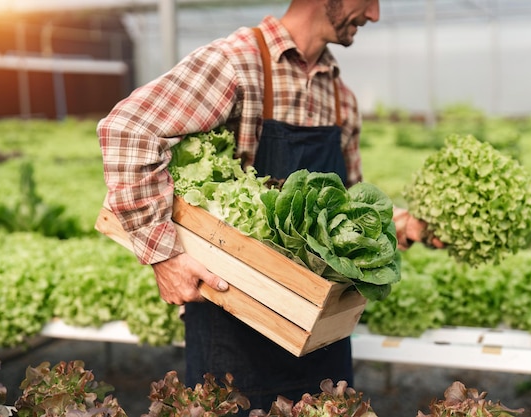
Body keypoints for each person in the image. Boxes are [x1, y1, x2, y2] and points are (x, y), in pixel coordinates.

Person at [98, 0, 441, 414]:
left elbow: (345, 200)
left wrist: (394, 225)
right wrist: (163, 255)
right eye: (369, 0)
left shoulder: (340, 97)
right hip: (235, 333)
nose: (375, 15)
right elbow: (128, 130)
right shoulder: (238, 64)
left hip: (322, 335)